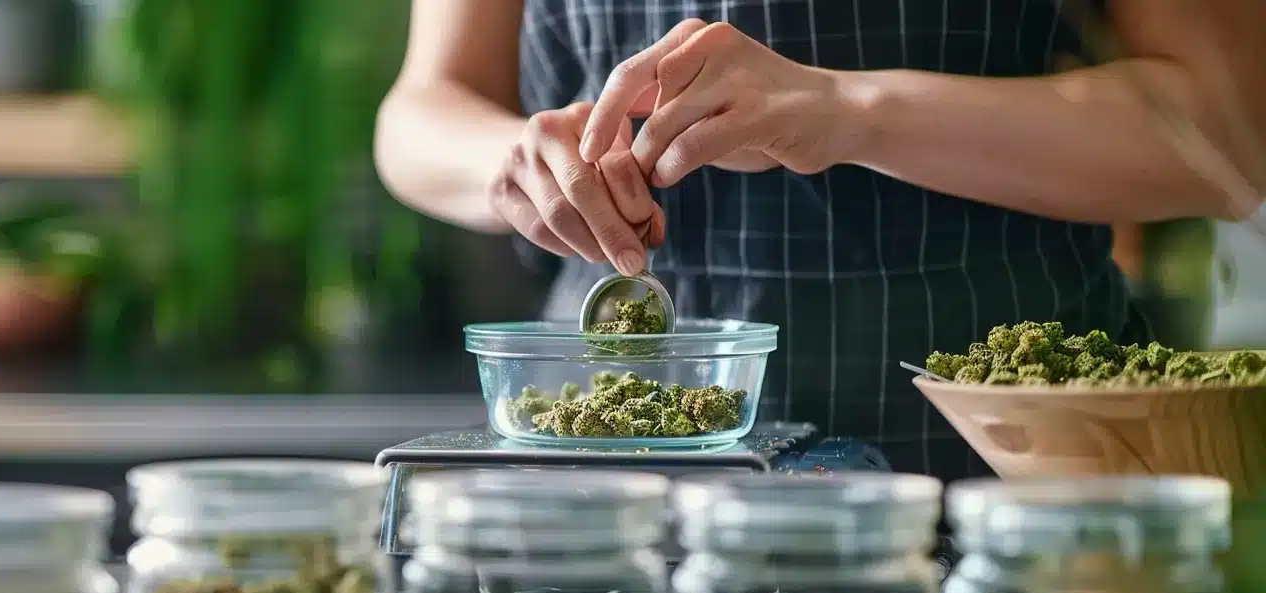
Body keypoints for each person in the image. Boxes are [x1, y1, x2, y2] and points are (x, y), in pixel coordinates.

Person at [373, 0, 1265, 479]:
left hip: (1010, 465)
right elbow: (420, 113)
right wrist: (512, 162)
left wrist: (851, 112)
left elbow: (1229, 134)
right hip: (619, 470)